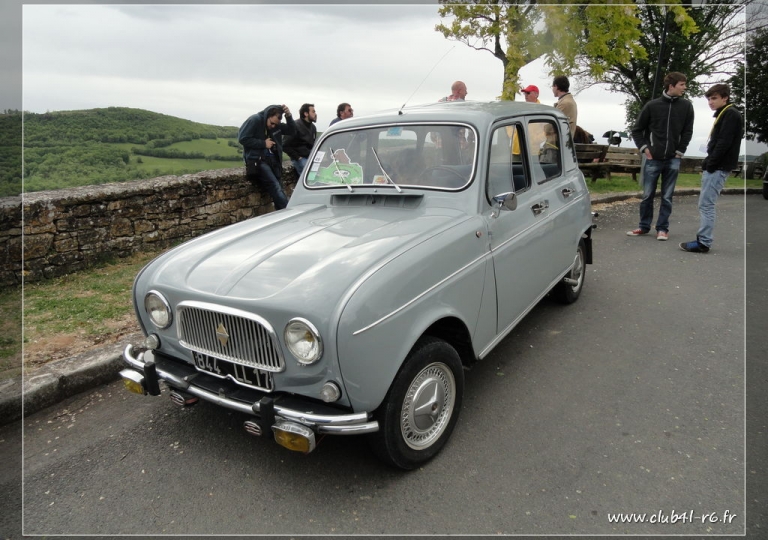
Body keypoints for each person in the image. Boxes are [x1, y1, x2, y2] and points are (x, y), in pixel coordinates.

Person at [626, 72, 695, 241]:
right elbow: (637, 130)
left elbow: (687, 131)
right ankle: (643, 226)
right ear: (671, 86)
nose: (684, 88)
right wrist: (644, 149)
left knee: (667, 196)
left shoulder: (687, 106)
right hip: (653, 158)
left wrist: (680, 151)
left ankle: (662, 229)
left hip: (673, 158)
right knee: (648, 195)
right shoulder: (652, 106)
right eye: (682, 84)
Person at [680, 84, 743, 253]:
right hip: (717, 165)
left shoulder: (730, 114)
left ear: (725, 98)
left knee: (706, 204)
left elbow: (724, 142)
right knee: (705, 204)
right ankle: (703, 240)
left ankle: (704, 242)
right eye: (709, 99)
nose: (710, 102)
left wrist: (710, 163)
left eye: (714, 98)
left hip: (719, 166)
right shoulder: (726, 114)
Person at [238, 104, 296, 210]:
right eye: (271, 123)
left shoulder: (276, 125)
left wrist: (288, 116)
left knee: (279, 188)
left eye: (275, 124)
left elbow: (292, 131)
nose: (273, 126)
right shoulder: (255, 120)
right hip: (258, 160)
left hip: (273, 160)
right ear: (268, 115)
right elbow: (243, 138)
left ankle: (282, 217)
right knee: (275, 186)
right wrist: (263, 144)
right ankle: (289, 213)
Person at [283, 103, 317, 176]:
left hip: (310, 158)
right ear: (306, 113)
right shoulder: (295, 126)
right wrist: (298, 157)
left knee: (318, 176)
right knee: (310, 179)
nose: (315, 114)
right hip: (301, 159)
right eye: (313, 111)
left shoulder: (313, 127)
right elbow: (284, 145)